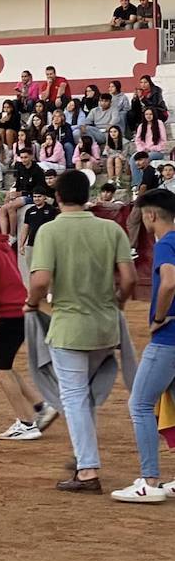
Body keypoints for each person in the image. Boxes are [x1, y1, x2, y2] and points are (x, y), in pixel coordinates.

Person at [27, 170, 137, 493]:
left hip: (70, 328)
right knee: (83, 395)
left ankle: (87, 470)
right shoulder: (110, 228)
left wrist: (31, 305)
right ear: (87, 195)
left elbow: (41, 281)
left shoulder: (50, 231)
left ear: (57, 197)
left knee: (73, 396)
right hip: (106, 328)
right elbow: (129, 279)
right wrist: (116, 305)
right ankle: (81, 455)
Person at [0, 207, 57, 440]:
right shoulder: (1, 244)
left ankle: (26, 423)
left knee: (0, 369)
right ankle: (40, 407)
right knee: (4, 366)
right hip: (21, 310)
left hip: (9, 315)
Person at [109, 190, 175, 501]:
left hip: (168, 339)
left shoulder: (166, 244)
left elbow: (170, 281)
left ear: (151, 215)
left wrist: (160, 316)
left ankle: (150, 480)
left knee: (139, 405)